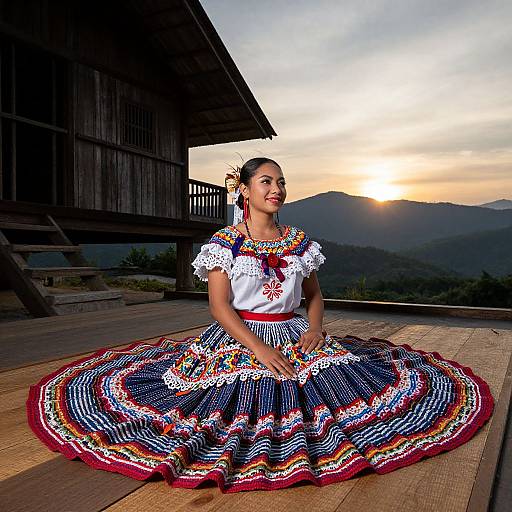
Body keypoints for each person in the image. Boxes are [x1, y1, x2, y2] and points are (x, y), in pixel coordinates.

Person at [27, 157, 494, 494]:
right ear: (245, 191)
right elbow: (219, 307)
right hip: (238, 332)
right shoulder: (226, 242)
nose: (277, 188)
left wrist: (313, 329)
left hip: (293, 329)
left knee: (332, 383)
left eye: (282, 182)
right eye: (266, 181)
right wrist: (258, 349)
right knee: (231, 394)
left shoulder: (298, 241)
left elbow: (313, 296)